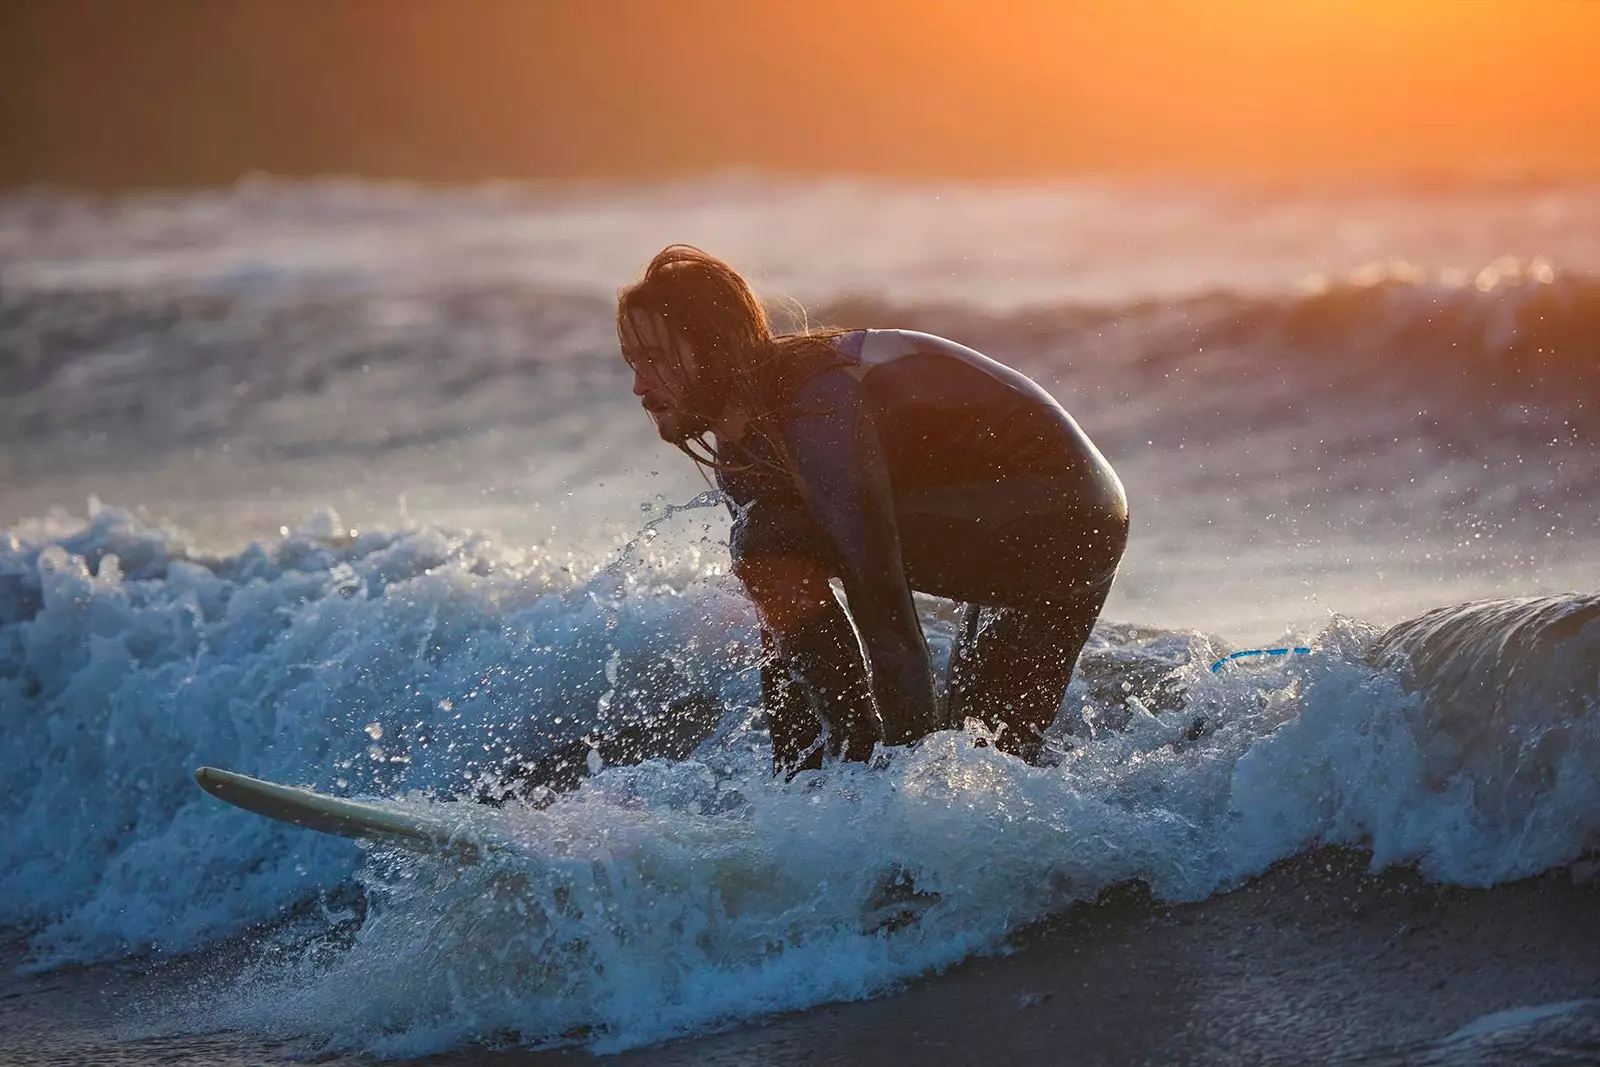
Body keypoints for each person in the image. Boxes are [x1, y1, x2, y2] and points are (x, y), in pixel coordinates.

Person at [618, 245, 1128, 773]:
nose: (639, 385)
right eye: (633, 363)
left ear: (714, 348)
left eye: (655, 360)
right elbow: (786, 632)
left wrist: (896, 787)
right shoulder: (746, 443)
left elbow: (881, 605)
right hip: (1078, 531)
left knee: (768, 538)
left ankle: (859, 769)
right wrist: (791, 777)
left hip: (1060, 512)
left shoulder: (818, 409)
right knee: (991, 763)